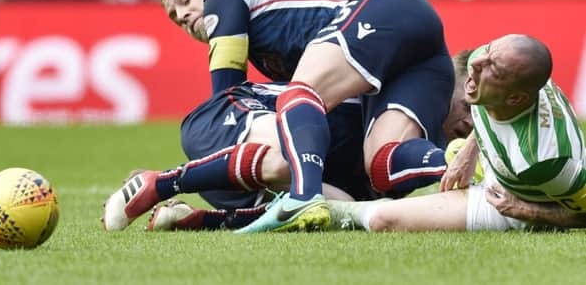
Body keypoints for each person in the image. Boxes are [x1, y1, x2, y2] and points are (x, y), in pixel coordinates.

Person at [160, 0, 455, 232]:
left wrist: (197, 174)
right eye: (175, 19)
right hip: (421, 43)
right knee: (381, 165)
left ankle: (305, 196)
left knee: (299, 95)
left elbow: (225, 99)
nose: (183, 16)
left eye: (185, 0)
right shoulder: (269, 48)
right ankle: (464, 160)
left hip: (381, 4)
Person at [103, 51, 472, 231]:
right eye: (467, 106)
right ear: (450, 79)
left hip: (244, 178)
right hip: (228, 113)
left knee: (343, 209)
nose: (468, 122)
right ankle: (161, 183)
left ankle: (197, 220)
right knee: (289, 157)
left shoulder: (414, 147)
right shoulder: (399, 91)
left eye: (477, 120)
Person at [328, 34, 586, 232]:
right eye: (487, 52)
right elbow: (491, 102)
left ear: (515, 98)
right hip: (496, 162)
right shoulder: (503, 73)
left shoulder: (544, 160)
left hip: (509, 199)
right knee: (451, 154)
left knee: (383, 221)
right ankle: (305, 200)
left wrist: (524, 210)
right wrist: (470, 150)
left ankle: (312, 208)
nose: (476, 65)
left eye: (492, 68)